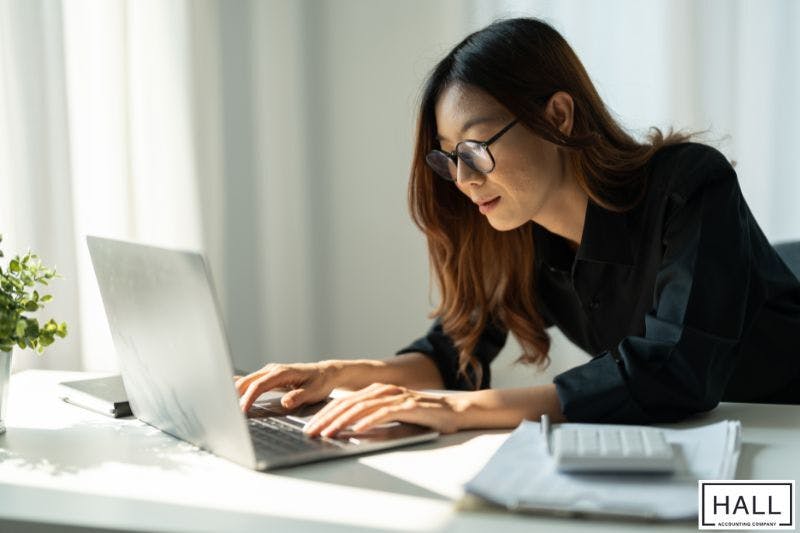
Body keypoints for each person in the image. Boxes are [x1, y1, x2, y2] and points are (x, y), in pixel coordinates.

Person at [235, 17, 800, 439]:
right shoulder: (520, 229)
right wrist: (335, 374)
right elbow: (458, 351)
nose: (462, 180)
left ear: (557, 116)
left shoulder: (689, 184)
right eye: (449, 158)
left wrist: (458, 411)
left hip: (783, 427)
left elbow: (677, 371)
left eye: (475, 149)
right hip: (701, 440)